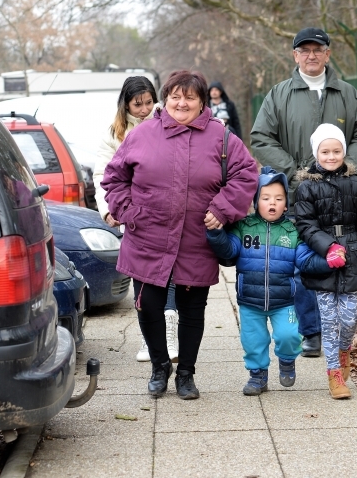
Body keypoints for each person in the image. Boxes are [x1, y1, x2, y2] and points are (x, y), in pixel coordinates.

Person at [102, 70, 258, 400]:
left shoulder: (221, 137)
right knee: (149, 307)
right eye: (175, 95)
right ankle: (160, 367)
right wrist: (129, 211)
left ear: (203, 102)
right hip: (147, 237)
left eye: (189, 97)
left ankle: (186, 373)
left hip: (196, 240)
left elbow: (246, 175)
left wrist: (222, 208)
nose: (181, 102)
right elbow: (114, 178)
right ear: (166, 98)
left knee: (191, 311)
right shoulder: (142, 134)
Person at [250, 27, 357, 358]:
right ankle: (311, 330)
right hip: (299, 195)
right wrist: (295, 173)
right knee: (304, 262)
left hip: (342, 196)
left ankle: (341, 326)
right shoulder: (280, 94)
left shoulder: (347, 94)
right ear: (295, 55)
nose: (310, 55)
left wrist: (348, 168)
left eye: (317, 49)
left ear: (327, 54)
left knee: (343, 255)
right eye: (303, 50)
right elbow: (261, 136)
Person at [205, 167, 331, 396]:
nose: (272, 203)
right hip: (250, 301)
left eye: (278, 198)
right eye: (265, 198)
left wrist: (329, 261)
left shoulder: (292, 231)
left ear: (286, 204)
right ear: (255, 201)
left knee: (289, 335)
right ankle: (257, 375)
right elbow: (229, 251)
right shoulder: (244, 227)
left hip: (284, 300)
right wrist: (215, 233)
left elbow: (305, 260)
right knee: (253, 341)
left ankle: (286, 360)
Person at [92, 76, 179, 364]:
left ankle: (169, 330)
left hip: (168, 211)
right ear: (126, 104)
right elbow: (103, 174)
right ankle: (148, 335)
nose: (143, 109)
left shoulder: (168, 122)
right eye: (136, 104)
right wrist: (109, 209)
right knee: (142, 275)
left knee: (170, 273)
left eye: (148, 102)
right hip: (135, 215)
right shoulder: (114, 134)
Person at [294, 124, 357, 399]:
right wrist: (328, 247)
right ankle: (334, 374)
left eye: (336, 151)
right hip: (323, 260)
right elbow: (305, 225)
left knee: (348, 320)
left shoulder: (355, 185)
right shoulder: (307, 186)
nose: (331, 157)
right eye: (325, 151)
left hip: (353, 256)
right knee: (329, 321)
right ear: (316, 153)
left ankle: (345, 352)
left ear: (344, 152)